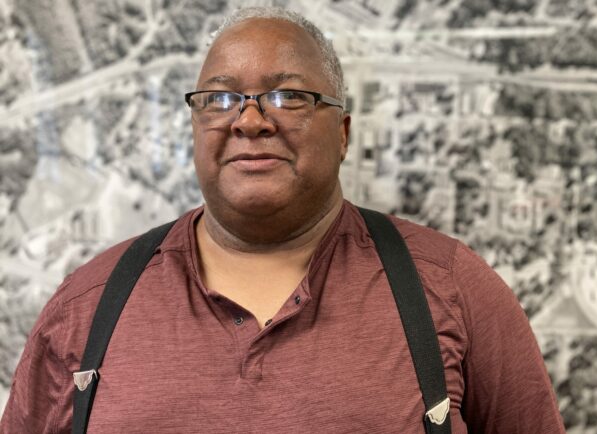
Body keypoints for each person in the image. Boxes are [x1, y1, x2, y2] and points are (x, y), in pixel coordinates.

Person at [0, 7, 564, 433]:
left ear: (342, 133)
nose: (249, 121)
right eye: (219, 100)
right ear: (194, 128)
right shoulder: (88, 307)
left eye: (288, 96)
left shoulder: (452, 288)